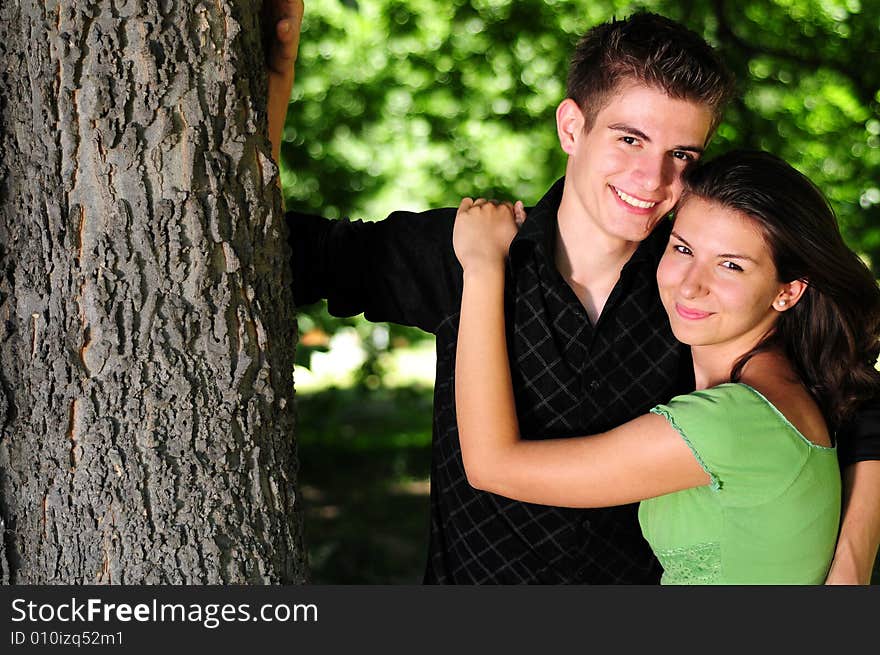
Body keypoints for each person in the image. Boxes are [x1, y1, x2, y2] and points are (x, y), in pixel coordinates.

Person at [266, 2, 880, 583]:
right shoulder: (466, 249)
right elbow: (272, 251)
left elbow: (854, 400)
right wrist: (272, 89)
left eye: (681, 154)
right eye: (629, 139)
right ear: (572, 127)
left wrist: (850, 570)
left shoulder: (696, 295)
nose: (652, 178)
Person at [452, 150, 880, 583]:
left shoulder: (728, 424)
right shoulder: (785, 392)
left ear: (787, 292)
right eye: (683, 248)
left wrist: (482, 265)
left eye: (730, 265)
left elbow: (491, 466)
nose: (690, 285)